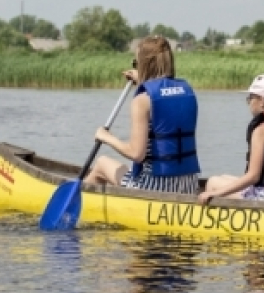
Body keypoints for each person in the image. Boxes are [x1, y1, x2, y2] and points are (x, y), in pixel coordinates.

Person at [84, 35, 200, 194]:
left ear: (144, 64)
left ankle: (77, 209)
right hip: (188, 186)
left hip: (153, 188)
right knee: (122, 169)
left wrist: (105, 137)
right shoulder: (187, 92)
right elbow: (162, 92)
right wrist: (141, 79)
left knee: (101, 164)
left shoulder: (142, 101)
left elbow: (136, 154)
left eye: (136, 63)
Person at [199, 74, 264, 204]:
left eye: (251, 98)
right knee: (224, 177)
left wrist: (214, 193)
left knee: (213, 182)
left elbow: (253, 176)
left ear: (262, 100)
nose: (249, 102)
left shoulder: (262, 130)